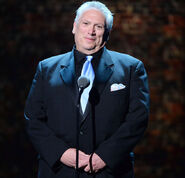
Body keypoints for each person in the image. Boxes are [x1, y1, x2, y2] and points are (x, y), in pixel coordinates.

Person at [24, 1, 150, 178]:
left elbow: (137, 119)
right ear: (75, 27)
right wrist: (62, 153)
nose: (91, 32)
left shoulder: (131, 68)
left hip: (109, 172)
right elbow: (33, 118)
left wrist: (104, 156)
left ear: (107, 33)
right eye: (86, 24)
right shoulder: (47, 68)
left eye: (98, 26)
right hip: (58, 171)